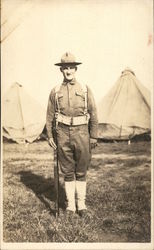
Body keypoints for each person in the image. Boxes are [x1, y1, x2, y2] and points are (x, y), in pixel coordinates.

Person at [46, 52, 98, 217]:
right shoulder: (55, 91)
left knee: (81, 170)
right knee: (67, 171)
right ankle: (70, 207)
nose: (68, 71)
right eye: (65, 68)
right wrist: (50, 135)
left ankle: (81, 205)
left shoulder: (85, 89)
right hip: (62, 134)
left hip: (82, 133)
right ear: (61, 70)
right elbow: (49, 115)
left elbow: (94, 113)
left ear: (76, 69)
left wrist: (94, 135)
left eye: (71, 68)